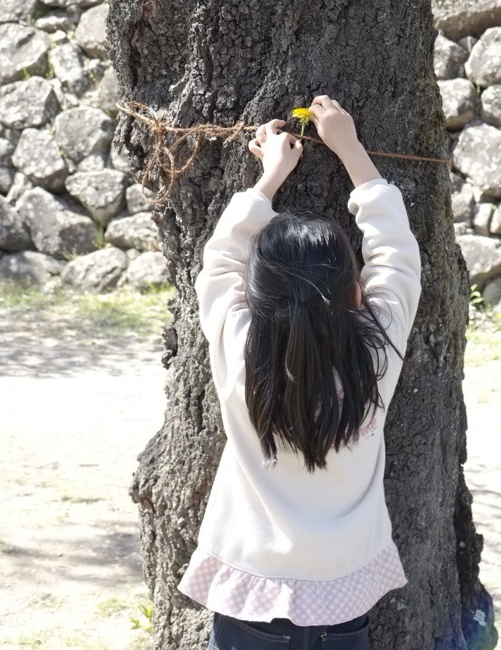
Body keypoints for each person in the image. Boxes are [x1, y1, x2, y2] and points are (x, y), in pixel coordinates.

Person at [179, 94, 422, 650]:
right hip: (344, 597)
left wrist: (268, 179)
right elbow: (398, 256)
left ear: (254, 298)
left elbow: (218, 263)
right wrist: (352, 151)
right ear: (356, 293)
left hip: (251, 599)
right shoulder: (375, 356)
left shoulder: (242, 352)